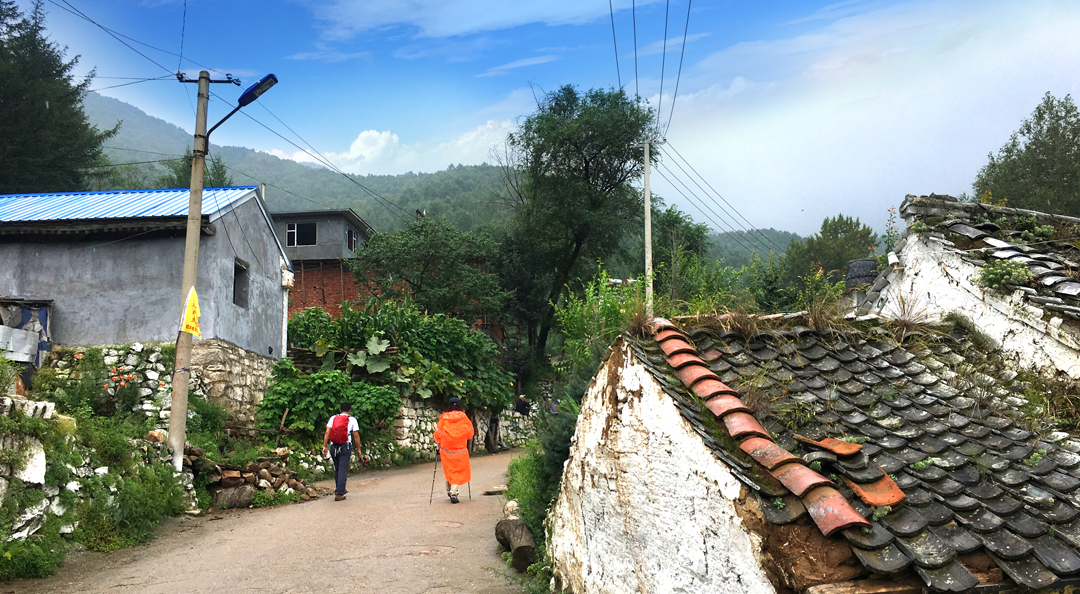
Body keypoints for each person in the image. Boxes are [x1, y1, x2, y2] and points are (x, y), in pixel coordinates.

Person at [433, 397, 474, 504]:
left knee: (449, 469)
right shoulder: (464, 417)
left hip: (446, 449)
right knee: (457, 470)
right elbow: (470, 433)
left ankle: (450, 490)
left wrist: (438, 445)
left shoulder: (443, 417)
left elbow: (438, 433)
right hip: (460, 449)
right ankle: (453, 492)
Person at [322, 402, 361, 501]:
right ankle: (339, 493)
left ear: (340, 410)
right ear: (349, 410)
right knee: (342, 469)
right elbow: (356, 435)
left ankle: (340, 488)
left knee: (338, 469)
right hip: (345, 447)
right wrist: (359, 449)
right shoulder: (352, 419)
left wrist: (324, 446)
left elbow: (327, 432)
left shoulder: (333, 418)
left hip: (333, 446)